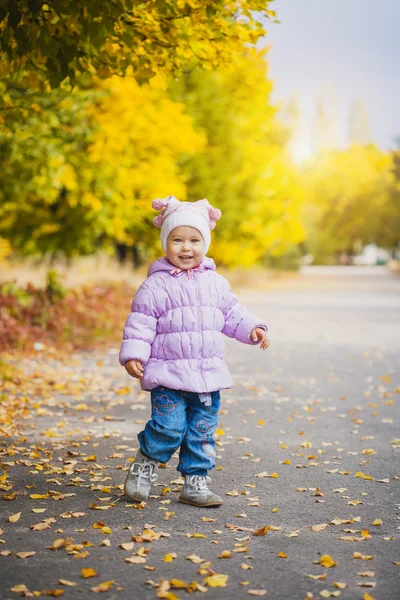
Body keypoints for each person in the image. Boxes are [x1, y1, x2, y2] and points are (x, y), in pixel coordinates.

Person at [119, 196, 269, 507]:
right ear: (166, 243)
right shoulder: (155, 287)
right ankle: (145, 462)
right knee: (168, 427)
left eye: (194, 240)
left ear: (206, 243)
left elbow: (232, 314)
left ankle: (195, 481)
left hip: (207, 377)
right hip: (168, 376)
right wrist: (135, 354)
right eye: (177, 240)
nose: (186, 248)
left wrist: (252, 328)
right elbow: (141, 323)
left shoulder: (216, 283)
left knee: (202, 431)